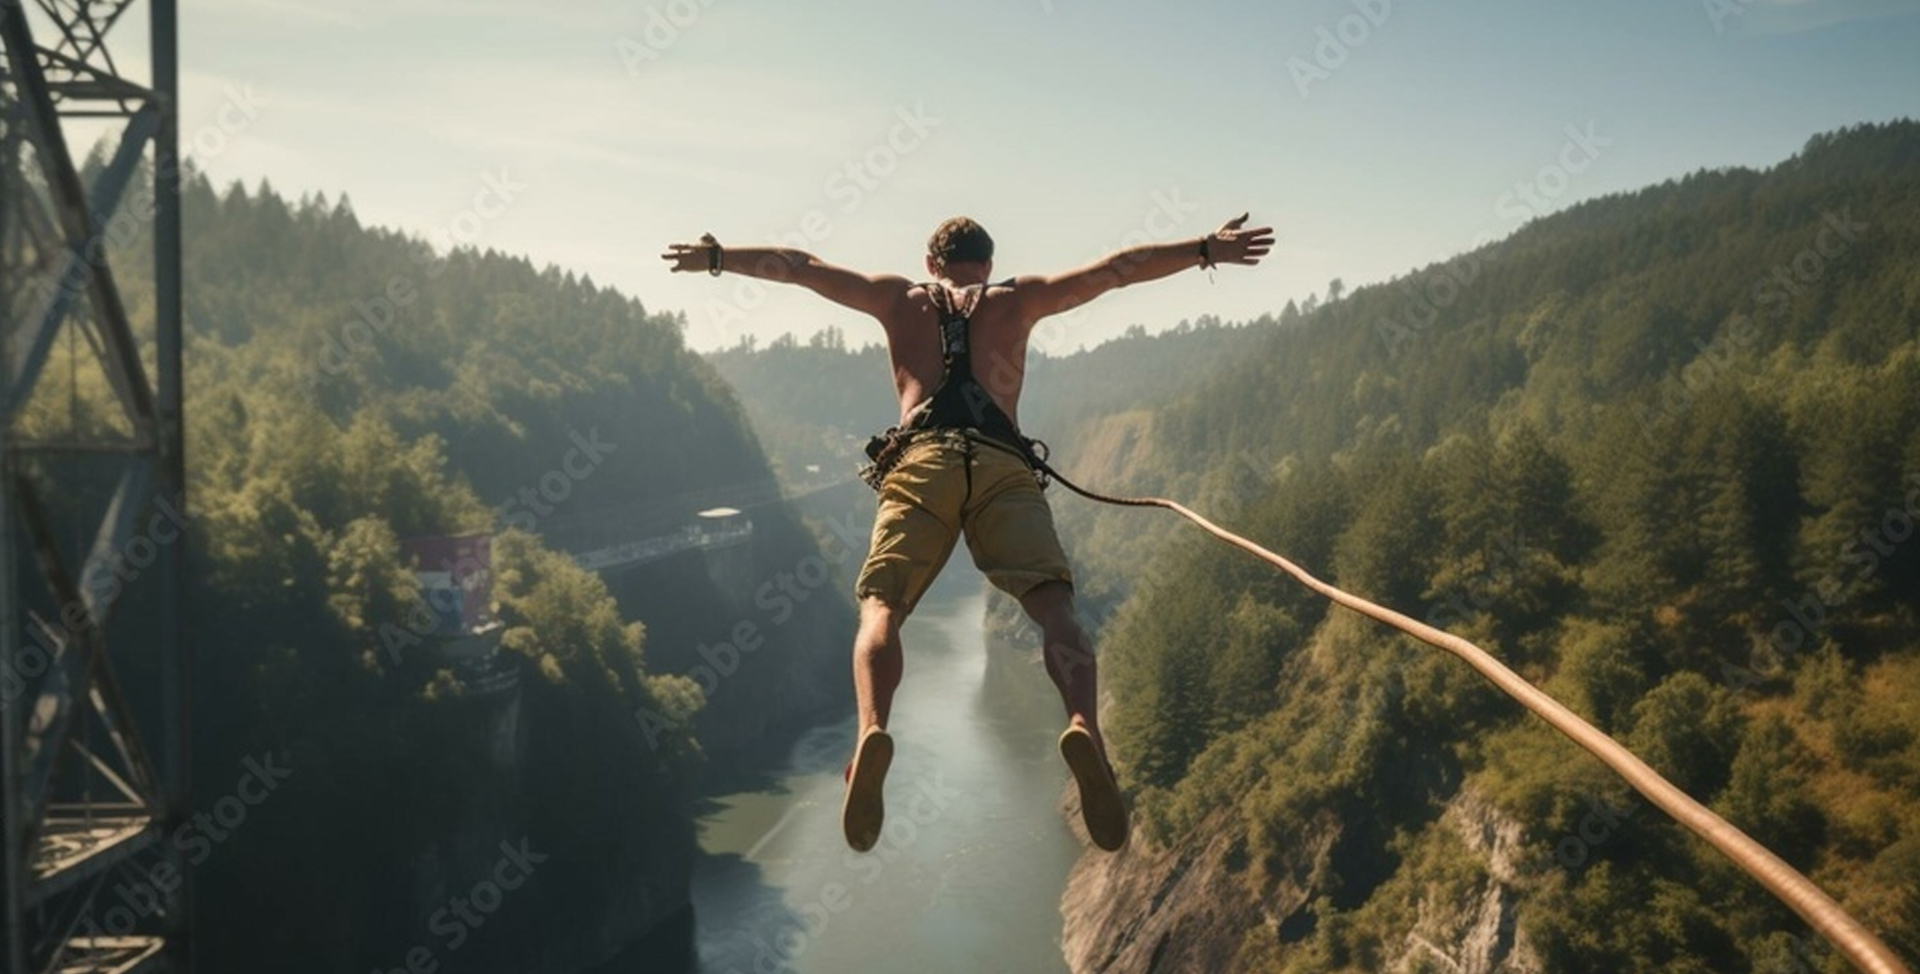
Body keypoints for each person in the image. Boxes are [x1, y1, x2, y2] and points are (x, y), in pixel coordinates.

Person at [662, 214, 1274, 852]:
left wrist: (717, 258)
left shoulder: (896, 298)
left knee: (881, 609)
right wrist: (1206, 249)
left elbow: (801, 267)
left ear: (932, 262)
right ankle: (1084, 726)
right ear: (987, 263)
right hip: (1003, 468)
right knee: (1053, 607)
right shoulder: (1020, 299)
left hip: (921, 463)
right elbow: (1115, 271)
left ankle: (872, 732)